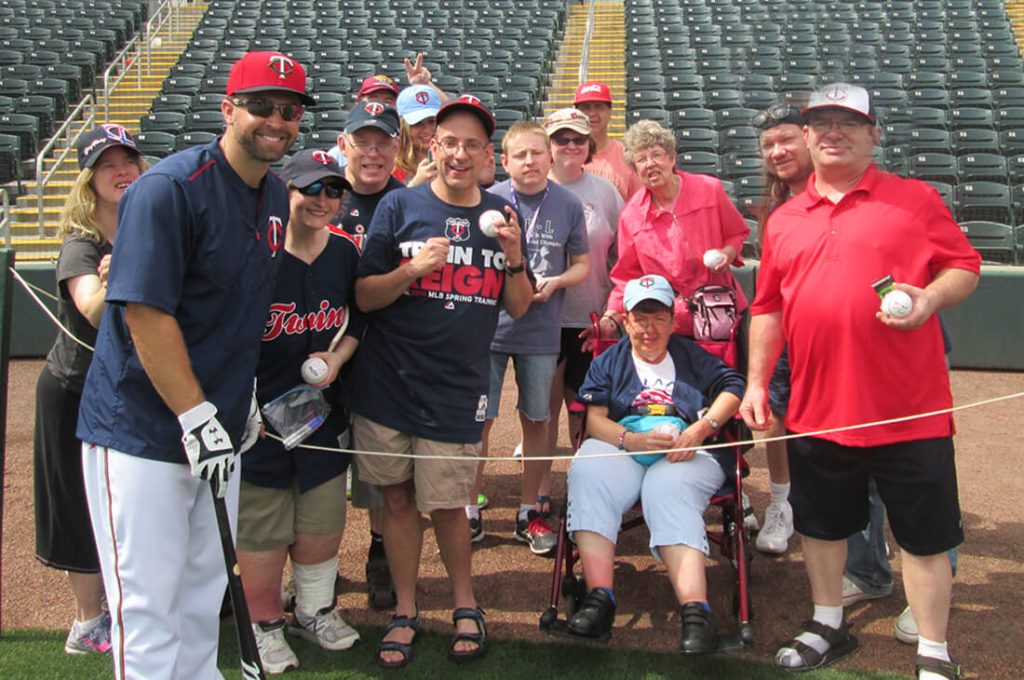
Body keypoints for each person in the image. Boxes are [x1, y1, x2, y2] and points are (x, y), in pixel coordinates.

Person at [76, 51, 307, 679]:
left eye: (288, 110)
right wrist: (195, 411)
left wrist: (242, 400)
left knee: (204, 594)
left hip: (220, 428)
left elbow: (240, 309)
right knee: (149, 606)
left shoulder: (276, 194)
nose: (276, 120)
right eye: (261, 105)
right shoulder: (169, 188)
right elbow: (145, 313)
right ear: (228, 109)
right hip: (143, 430)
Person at [740, 83, 980, 679]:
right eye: (819, 123)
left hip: (909, 406)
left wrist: (928, 298)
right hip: (818, 407)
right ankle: (828, 623)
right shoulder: (785, 218)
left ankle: (933, 651)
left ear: (874, 134)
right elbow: (767, 306)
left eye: (847, 122)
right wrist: (754, 383)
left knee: (923, 538)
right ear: (806, 136)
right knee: (820, 528)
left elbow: (966, 266)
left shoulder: (915, 199)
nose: (831, 133)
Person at [343, 95, 534, 668]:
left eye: (472, 144)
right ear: (433, 144)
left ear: (485, 155)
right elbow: (364, 295)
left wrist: (516, 256)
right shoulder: (400, 206)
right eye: (449, 141)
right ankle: (405, 609)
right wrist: (412, 270)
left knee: (450, 505)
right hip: (388, 385)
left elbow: (520, 308)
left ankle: (464, 604)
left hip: (457, 388)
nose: (459, 152)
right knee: (399, 501)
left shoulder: (501, 216)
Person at [565, 274, 745, 653]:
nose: (649, 329)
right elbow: (594, 420)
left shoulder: (690, 355)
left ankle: (696, 612)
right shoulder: (610, 359)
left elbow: (733, 388)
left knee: (668, 486)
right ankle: (599, 599)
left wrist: (701, 428)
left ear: (673, 320)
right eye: (640, 318)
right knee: (587, 469)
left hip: (687, 449)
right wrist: (630, 440)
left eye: (659, 317)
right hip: (626, 446)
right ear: (626, 320)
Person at [236, 151, 361, 674]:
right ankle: (264, 625)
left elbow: (357, 325)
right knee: (262, 528)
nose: (322, 200)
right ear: (283, 191)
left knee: (322, 519)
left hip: (321, 415)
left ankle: (314, 609)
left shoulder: (346, 254)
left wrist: (335, 358)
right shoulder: (252, 254)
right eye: (310, 189)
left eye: (333, 190)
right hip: (259, 419)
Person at [33, 125, 144, 656]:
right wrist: (125, 270)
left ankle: (125, 607)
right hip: (75, 389)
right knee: (81, 503)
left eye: (128, 160)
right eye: (107, 164)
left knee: (126, 502)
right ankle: (86, 621)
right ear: (89, 180)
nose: (121, 171)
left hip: (127, 389)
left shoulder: (146, 226)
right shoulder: (81, 242)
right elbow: (97, 310)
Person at [465, 120, 589, 553]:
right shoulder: (487, 200)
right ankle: (469, 507)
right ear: (503, 160)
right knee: (479, 418)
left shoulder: (569, 204)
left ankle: (530, 509)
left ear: (549, 156)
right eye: (520, 154)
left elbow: (583, 265)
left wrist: (555, 282)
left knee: (538, 418)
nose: (530, 161)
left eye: (537, 153)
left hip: (542, 328)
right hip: (489, 328)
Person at [331, 99, 404, 609]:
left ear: (397, 148)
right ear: (343, 145)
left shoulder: (412, 200)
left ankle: (379, 555)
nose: (373, 153)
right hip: (324, 345)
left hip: (387, 351)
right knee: (322, 465)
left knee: (381, 471)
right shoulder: (321, 194)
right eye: (363, 142)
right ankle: (318, 563)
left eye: (383, 142)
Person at [594, 120, 749, 344]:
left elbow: (737, 233)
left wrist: (728, 253)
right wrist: (611, 317)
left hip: (719, 312)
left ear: (672, 158)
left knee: (723, 378)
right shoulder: (631, 215)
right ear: (635, 169)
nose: (649, 164)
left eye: (656, 155)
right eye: (641, 159)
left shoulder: (709, 190)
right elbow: (627, 277)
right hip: (667, 322)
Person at [543, 106, 623, 487]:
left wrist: (613, 310)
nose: (570, 145)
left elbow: (622, 255)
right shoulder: (529, 184)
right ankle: (538, 494)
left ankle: (583, 487)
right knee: (542, 412)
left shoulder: (605, 191)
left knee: (585, 409)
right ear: (548, 144)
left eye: (579, 139)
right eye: (562, 138)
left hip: (590, 318)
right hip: (540, 319)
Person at [749, 102, 811, 555]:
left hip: (830, 335)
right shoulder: (778, 205)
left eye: (786, 140)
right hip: (786, 330)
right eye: (768, 144)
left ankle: (863, 529)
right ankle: (783, 504)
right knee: (774, 421)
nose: (777, 151)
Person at [572, 81, 642, 202]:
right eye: (585, 107)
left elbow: (639, 207)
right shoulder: (564, 154)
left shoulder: (627, 156)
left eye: (599, 107)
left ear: (610, 111)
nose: (592, 113)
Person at [394, 84, 441, 187]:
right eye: (418, 123)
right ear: (403, 127)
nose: (427, 130)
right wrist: (416, 184)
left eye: (432, 121)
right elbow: (389, 203)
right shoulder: (392, 169)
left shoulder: (454, 162)